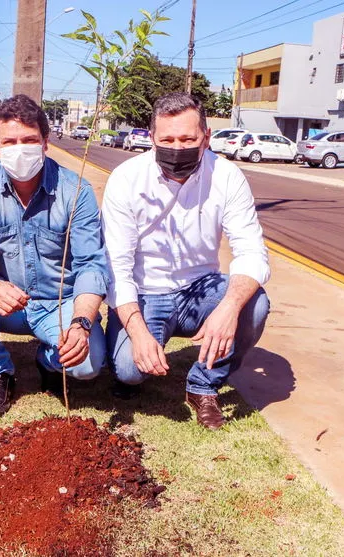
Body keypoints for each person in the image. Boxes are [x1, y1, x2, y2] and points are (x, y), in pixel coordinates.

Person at [102, 92, 271, 430]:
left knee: (255, 305)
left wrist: (228, 309)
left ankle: (203, 385)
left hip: (202, 287)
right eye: (167, 139)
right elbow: (115, 267)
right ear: (151, 138)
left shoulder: (226, 176)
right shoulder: (126, 179)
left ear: (205, 137)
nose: (177, 148)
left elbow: (252, 252)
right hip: (146, 291)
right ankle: (134, 357)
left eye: (187, 139)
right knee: (128, 372)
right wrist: (137, 331)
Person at [0, 94, 108, 418]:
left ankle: (47, 359)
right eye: (10, 141)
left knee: (88, 365)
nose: (20, 149)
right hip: (3, 301)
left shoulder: (75, 189)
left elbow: (92, 263)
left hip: (57, 305)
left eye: (29, 140)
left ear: (46, 142)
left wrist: (80, 323)